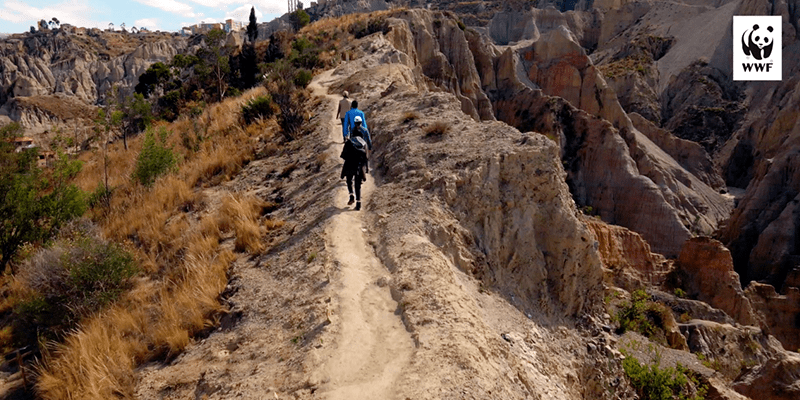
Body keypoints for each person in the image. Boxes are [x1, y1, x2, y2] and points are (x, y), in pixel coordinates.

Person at [340, 116, 371, 211]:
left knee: (349, 181)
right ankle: (358, 204)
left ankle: (351, 195)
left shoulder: (349, 142)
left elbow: (344, 156)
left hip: (349, 165)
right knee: (358, 185)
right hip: (359, 166)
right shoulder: (363, 143)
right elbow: (366, 158)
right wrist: (366, 169)